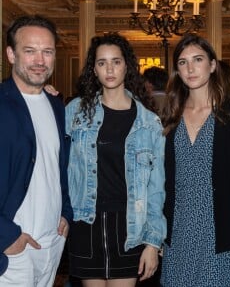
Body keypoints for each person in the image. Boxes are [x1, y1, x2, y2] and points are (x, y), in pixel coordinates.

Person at [65, 33, 166, 287]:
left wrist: (153, 242)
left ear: (127, 66)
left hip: (130, 226)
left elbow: (156, 190)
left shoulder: (149, 122)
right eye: (101, 63)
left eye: (116, 62)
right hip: (86, 222)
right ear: (94, 70)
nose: (109, 69)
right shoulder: (75, 112)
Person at [160, 33, 230, 286]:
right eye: (183, 62)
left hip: (219, 232)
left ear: (212, 65)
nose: (190, 68)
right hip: (178, 233)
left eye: (198, 59)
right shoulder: (169, 117)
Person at [0, 15, 73, 286]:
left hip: (52, 242)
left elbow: (57, 165)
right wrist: (6, 237)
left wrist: (66, 211)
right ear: (11, 54)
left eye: (47, 52)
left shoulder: (56, 105)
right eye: (29, 51)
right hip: (13, 249)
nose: (39, 60)